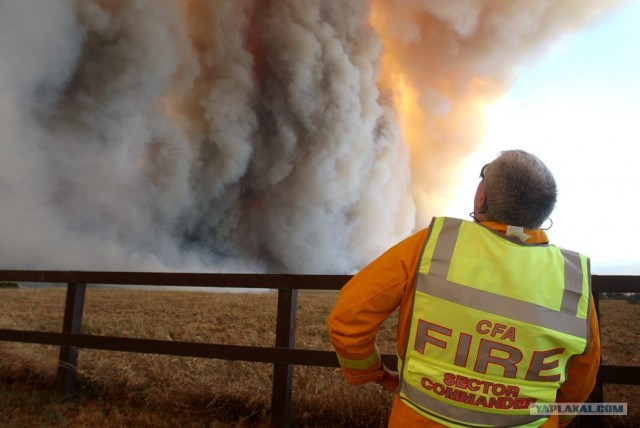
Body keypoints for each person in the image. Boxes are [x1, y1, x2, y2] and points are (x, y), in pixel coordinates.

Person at [327, 150, 600, 427]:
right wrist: (551, 418)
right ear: (542, 213)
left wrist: (375, 374)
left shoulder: (434, 245)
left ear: (481, 198)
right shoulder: (572, 279)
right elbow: (581, 378)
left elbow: (347, 318)